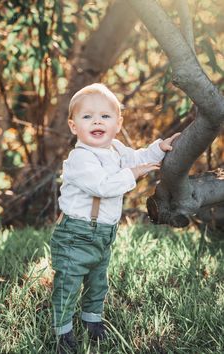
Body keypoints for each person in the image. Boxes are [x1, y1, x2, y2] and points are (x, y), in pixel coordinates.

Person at [50, 83, 180, 353]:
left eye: (105, 116)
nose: (97, 121)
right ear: (74, 126)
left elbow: (137, 157)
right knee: (69, 283)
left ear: (118, 123)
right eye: (87, 117)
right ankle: (62, 332)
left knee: (98, 281)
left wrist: (159, 148)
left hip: (103, 234)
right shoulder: (80, 158)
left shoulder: (116, 150)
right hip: (76, 235)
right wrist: (133, 174)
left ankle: (92, 320)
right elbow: (103, 186)